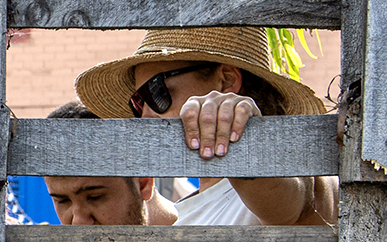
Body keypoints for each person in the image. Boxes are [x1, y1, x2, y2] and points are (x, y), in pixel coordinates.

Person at [75, 27, 338, 226]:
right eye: (138, 101)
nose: (144, 116)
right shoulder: (183, 212)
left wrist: (243, 132)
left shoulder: (294, 179)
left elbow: (294, 199)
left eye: (156, 92)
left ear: (225, 81)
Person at [42, 101, 178, 226]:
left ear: (143, 182)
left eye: (95, 197)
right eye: (62, 201)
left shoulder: (195, 235)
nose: (78, 221)